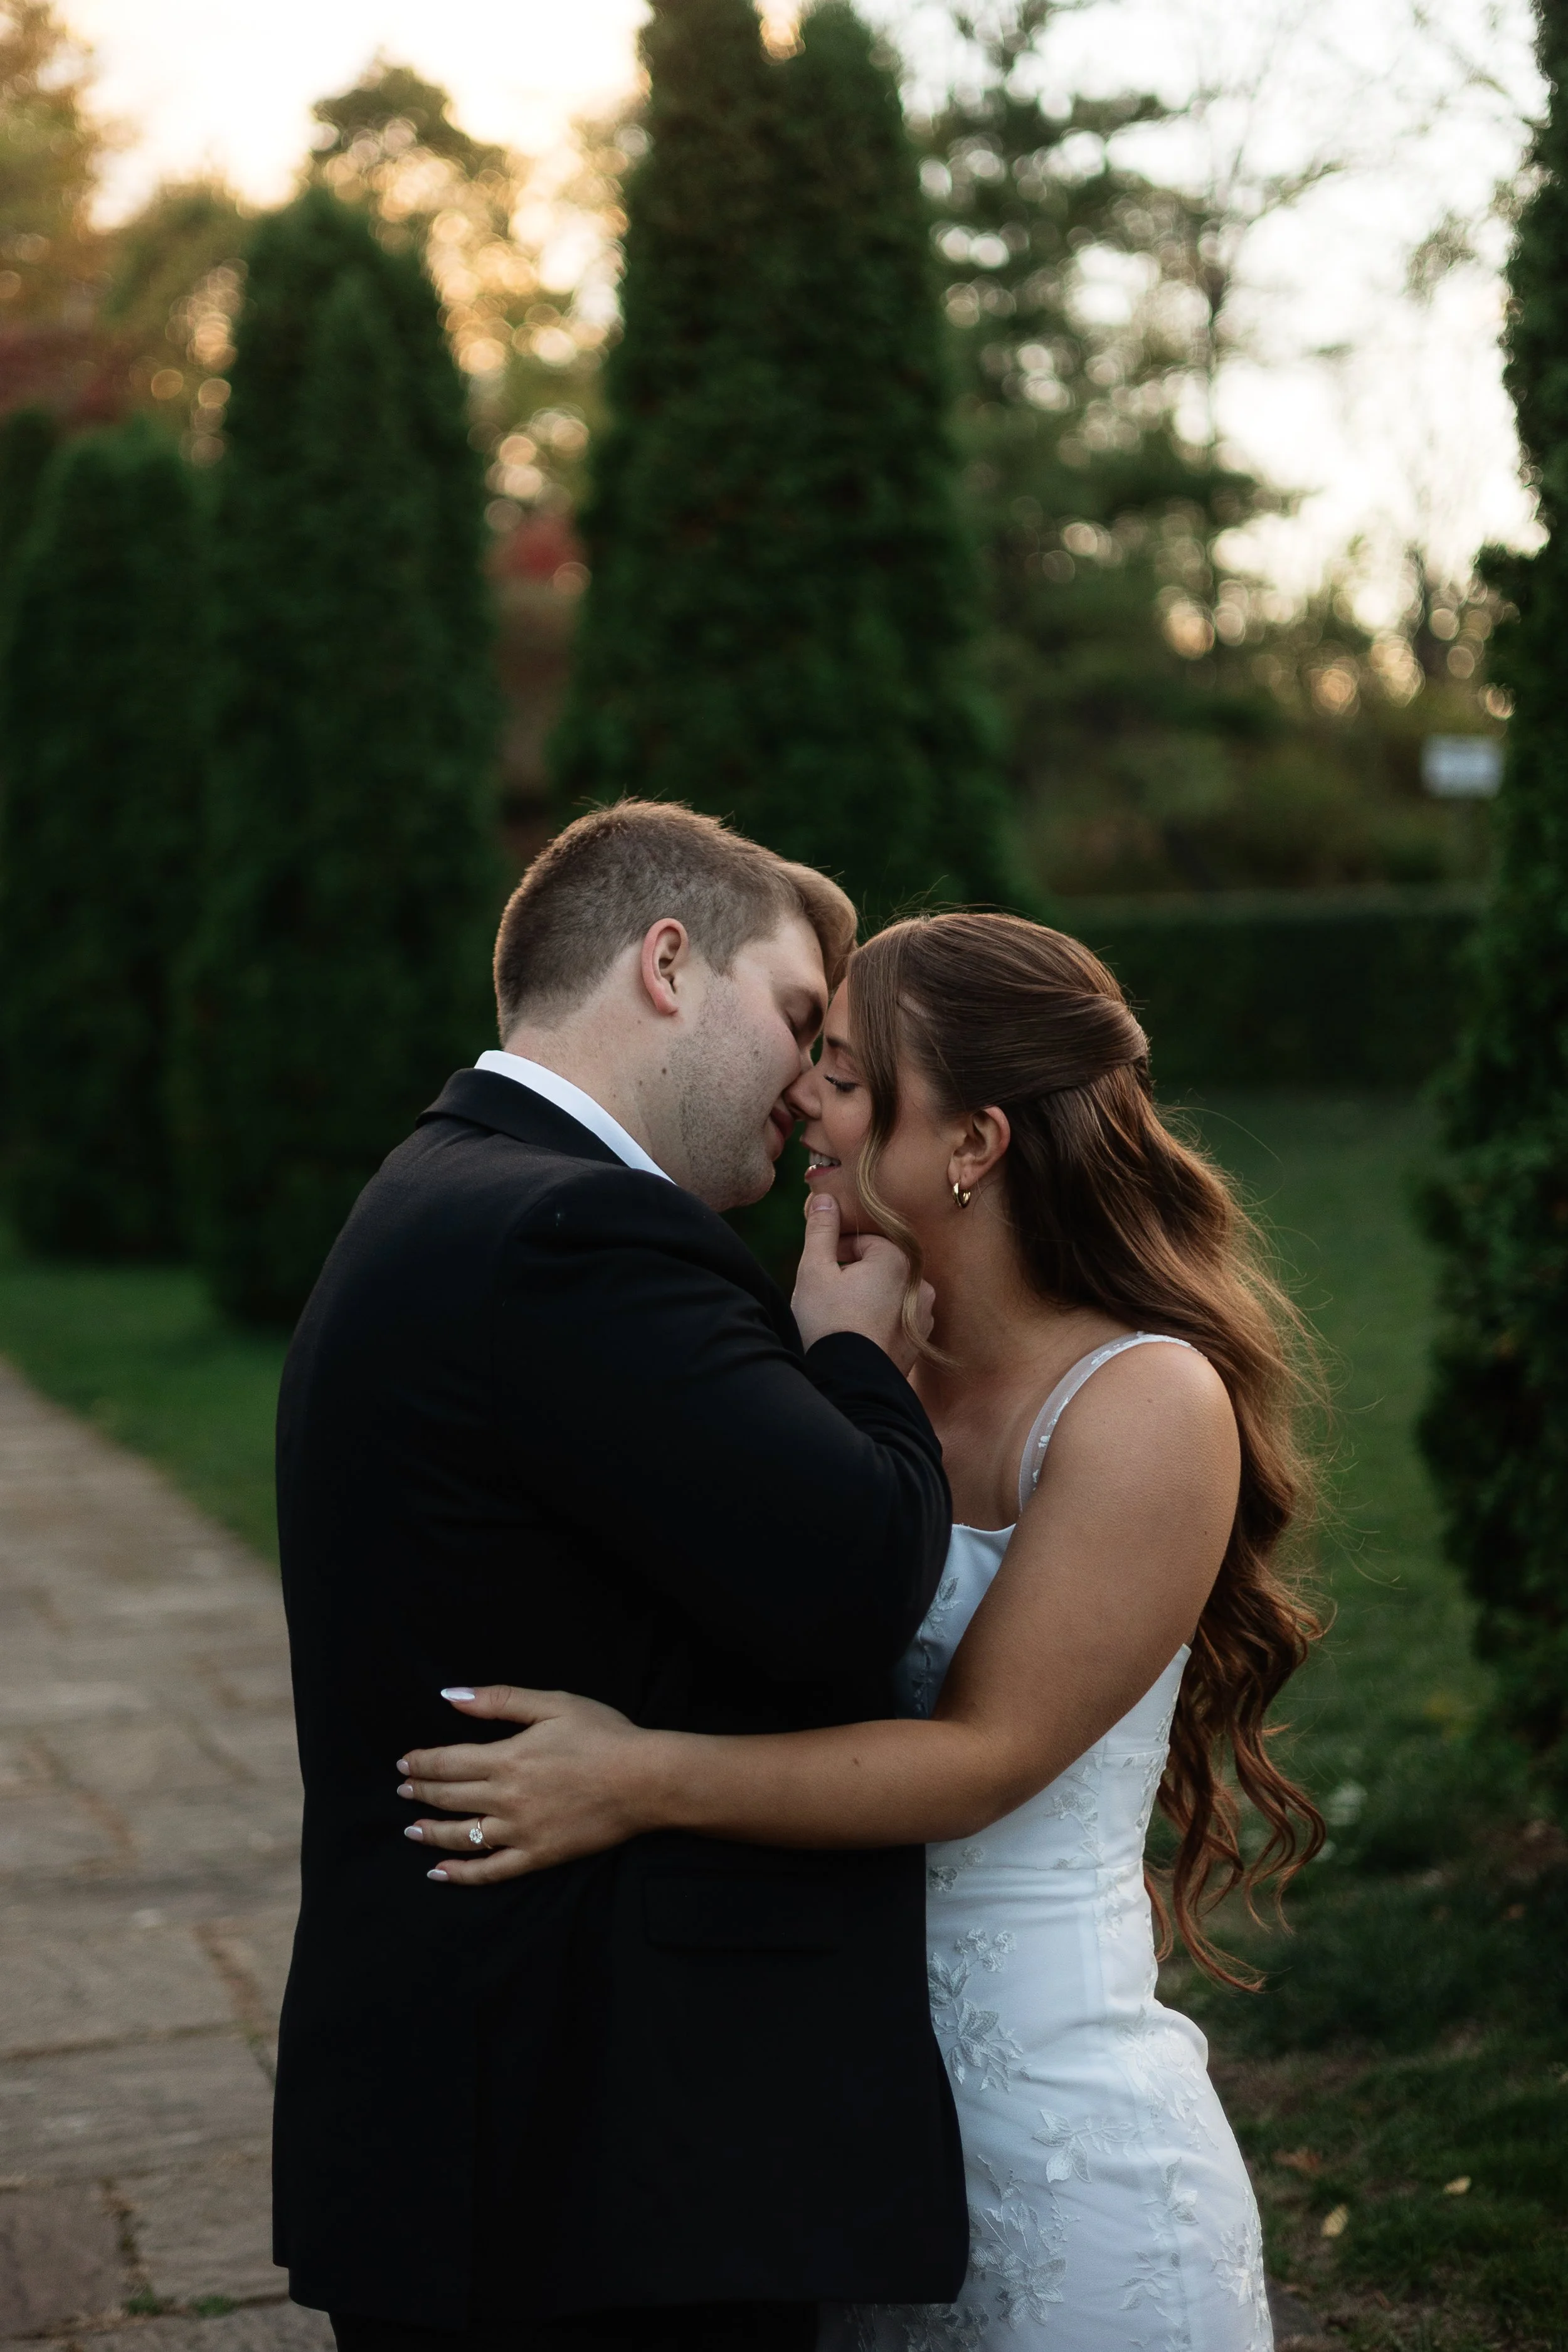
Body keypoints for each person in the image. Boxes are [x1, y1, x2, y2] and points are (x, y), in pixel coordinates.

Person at [397, 911, 1327, 2352]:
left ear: (970, 1139)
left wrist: (631, 1777)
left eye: (839, 1070)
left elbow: (981, 1759)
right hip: (833, 2135)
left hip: (1054, 2145)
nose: (802, 1101)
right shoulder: (851, 1352)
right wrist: (837, 1359)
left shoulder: (1147, 1406)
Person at [272, 803, 970, 2351]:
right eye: (797, 1016)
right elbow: (857, 1573)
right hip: (589, 2153)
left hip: (504, 2114)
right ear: (668, 963)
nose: (808, 1085)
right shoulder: (577, 1234)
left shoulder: (448, 1181)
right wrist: (852, 1353)